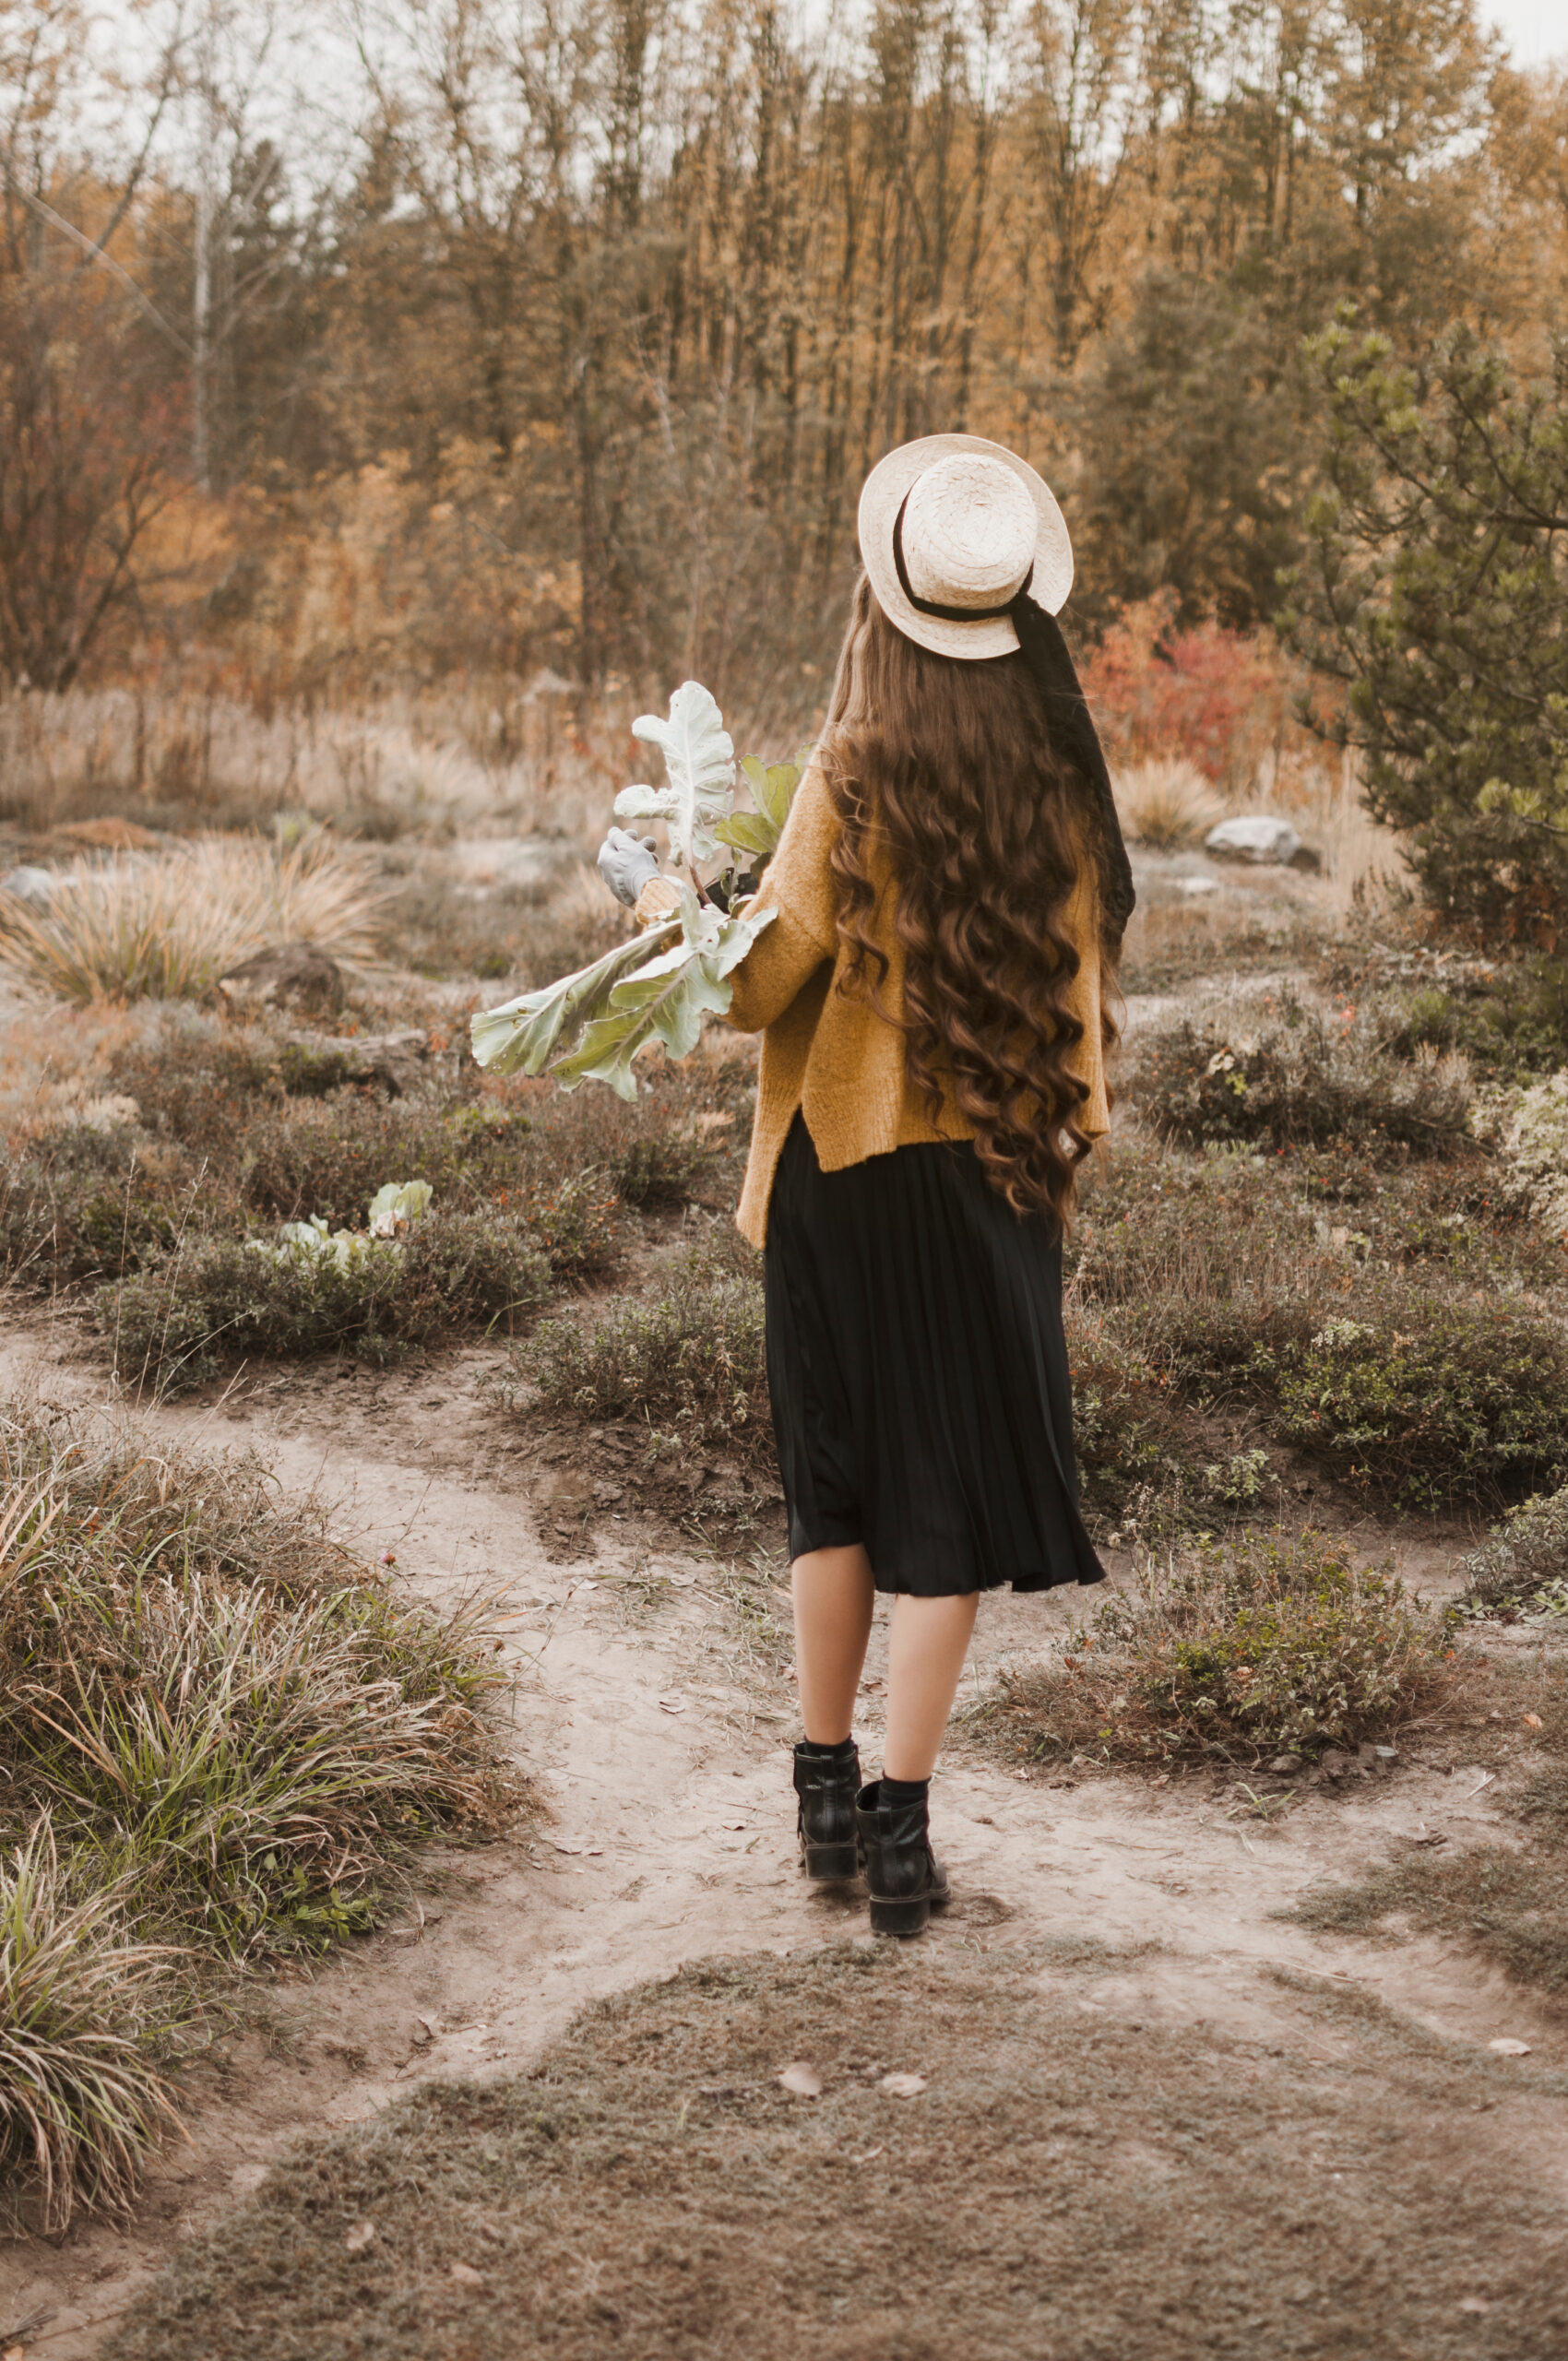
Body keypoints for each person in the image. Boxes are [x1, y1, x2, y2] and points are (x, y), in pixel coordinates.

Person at [600, 433, 1134, 1936]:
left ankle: (820, 1795)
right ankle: (904, 1837)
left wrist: (671, 912)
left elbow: (770, 980)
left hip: (842, 1178)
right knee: (944, 1514)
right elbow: (1081, 1000)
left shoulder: (850, 771)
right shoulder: (1058, 784)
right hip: (993, 1184)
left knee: (829, 1500)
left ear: (880, 606)